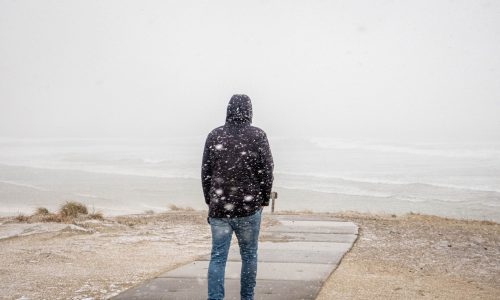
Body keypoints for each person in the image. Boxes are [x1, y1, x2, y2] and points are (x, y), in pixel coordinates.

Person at [201, 94, 274, 300]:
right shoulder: (258, 135)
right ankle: (247, 298)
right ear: (249, 111)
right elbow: (267, 170)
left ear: (228, 110)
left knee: (217, 257)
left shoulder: (215, 136)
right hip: (249, 207)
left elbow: (206, 172)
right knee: (249, 256)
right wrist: (264, 199)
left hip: (220, 208)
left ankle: (215, 298)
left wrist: (211, 201)